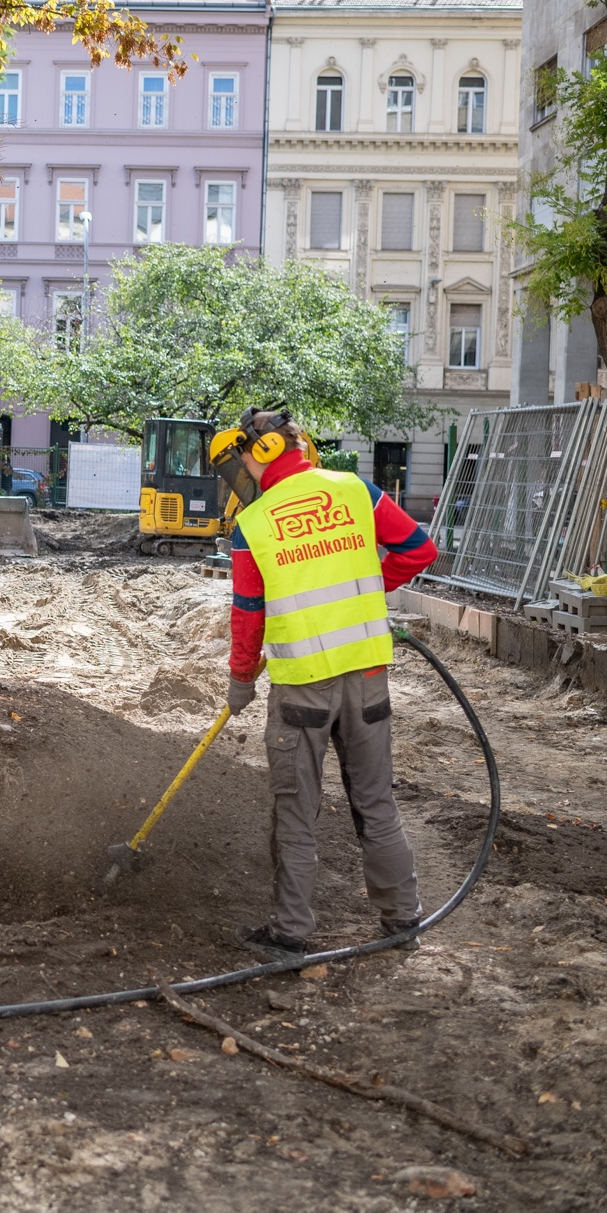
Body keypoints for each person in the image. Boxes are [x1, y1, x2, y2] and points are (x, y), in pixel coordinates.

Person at [207, 409, 438, 961]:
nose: (239, 473)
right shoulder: (357, 490)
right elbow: (420, 551)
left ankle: (289, 934)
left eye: (239, 460)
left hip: (302, 690)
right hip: (368, 677)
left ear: (258, 453)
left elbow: (248, 617)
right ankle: (402, 918)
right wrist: (361, 588)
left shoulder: (254, 525)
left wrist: (240, 680)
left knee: (296, 810)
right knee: (376, 803)